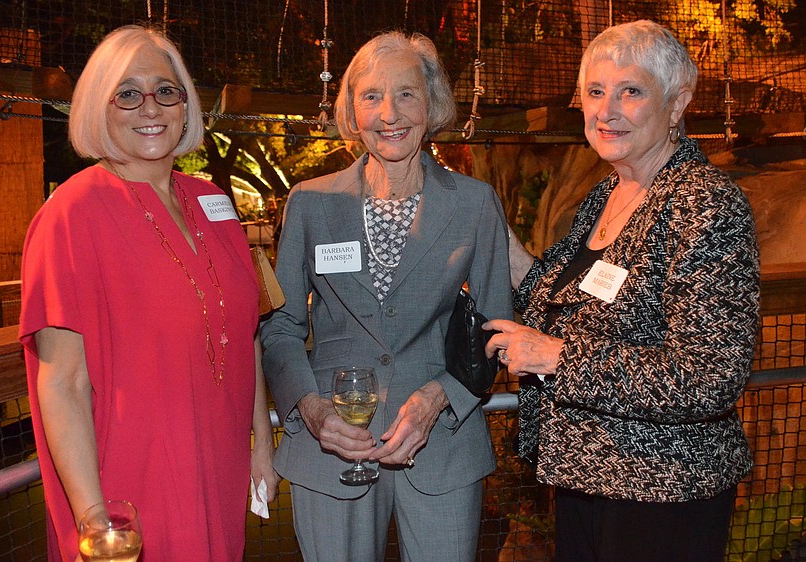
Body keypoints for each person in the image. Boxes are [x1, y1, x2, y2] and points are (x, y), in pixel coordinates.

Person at [485, 20, 759, 562]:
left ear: (677, 103)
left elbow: (709, 378)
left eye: (630, 91)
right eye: (594, 92)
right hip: (585, 476)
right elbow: (553, 296)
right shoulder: (607, 193)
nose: (605, 111)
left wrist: (557, 357)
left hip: (663, 488)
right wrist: (490, 227)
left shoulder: (704, 204)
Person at [19, 25, 278, 562]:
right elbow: (62, 384)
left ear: (185, 105)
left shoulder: (212, 201)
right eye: (128, 94)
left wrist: (261, 446)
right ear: (99, 107)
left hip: (220, 469)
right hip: (131, 489)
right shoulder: (70, 215)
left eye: (165, 90)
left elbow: (246, 333)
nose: (150, 108)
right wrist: (97, 524)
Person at [260, 31, 513, 562]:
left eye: (406, 94)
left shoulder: (475, 204)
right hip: (331, 447)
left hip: (443, 444)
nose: (389, 114)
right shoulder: (309, 203)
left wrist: (437, 398)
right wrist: (310, 409)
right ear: (352, 112)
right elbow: (281, 328)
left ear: (431, 104)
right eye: (371, 96)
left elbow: (495, 327)